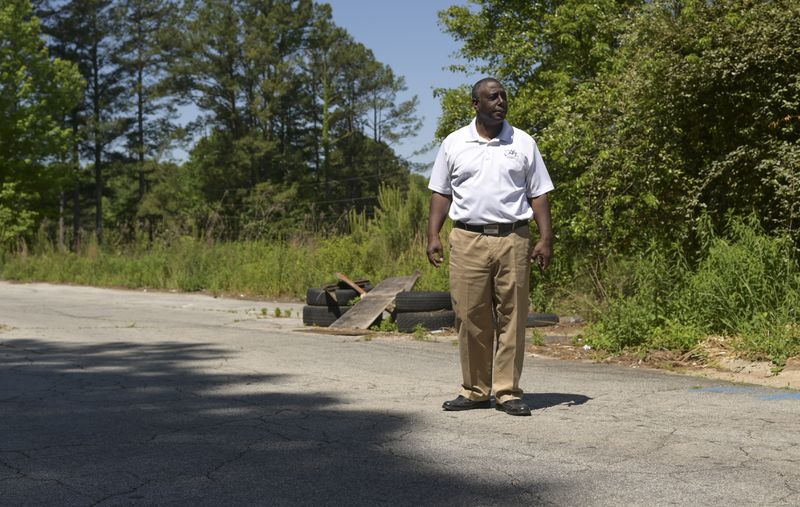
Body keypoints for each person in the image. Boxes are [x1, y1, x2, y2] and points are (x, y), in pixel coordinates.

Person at [426, 77, 554, 416]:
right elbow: (441, 192)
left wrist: (545, 238)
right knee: (470, 316)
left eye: (503, 97)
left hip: (514, 238)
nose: (500, 102)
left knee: (513, 316)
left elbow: (539, 193)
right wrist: (433, 235)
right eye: (492, 97)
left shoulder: (523, 142)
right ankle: (476, 390)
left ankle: (508, 392)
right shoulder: (454, 143)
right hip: (467, 238)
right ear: (476, 104)